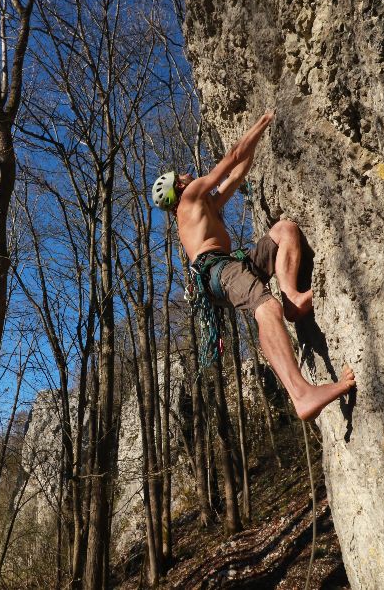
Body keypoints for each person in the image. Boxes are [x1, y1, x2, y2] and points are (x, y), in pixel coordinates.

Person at [152, 112, 355, 421]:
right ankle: (301, 394)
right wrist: (262, 122)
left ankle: (293, 299)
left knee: (284, 231)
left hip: (232, 266)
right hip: (217, 272)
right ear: (178, 189)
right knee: (266, 309)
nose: (186, 175)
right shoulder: (190, 198)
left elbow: (238, 173)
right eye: (180, 177)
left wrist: (257, 147)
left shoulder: (205, 205)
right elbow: (232, 158)